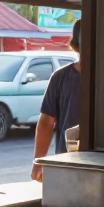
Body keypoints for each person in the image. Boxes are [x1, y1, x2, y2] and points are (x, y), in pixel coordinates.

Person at [31, 20, 81, 182]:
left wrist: (38, 162)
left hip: (103, 163)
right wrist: (39, 162)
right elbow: (46, 122)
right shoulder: (60, 78)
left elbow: (47, 122)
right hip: (66, 162)